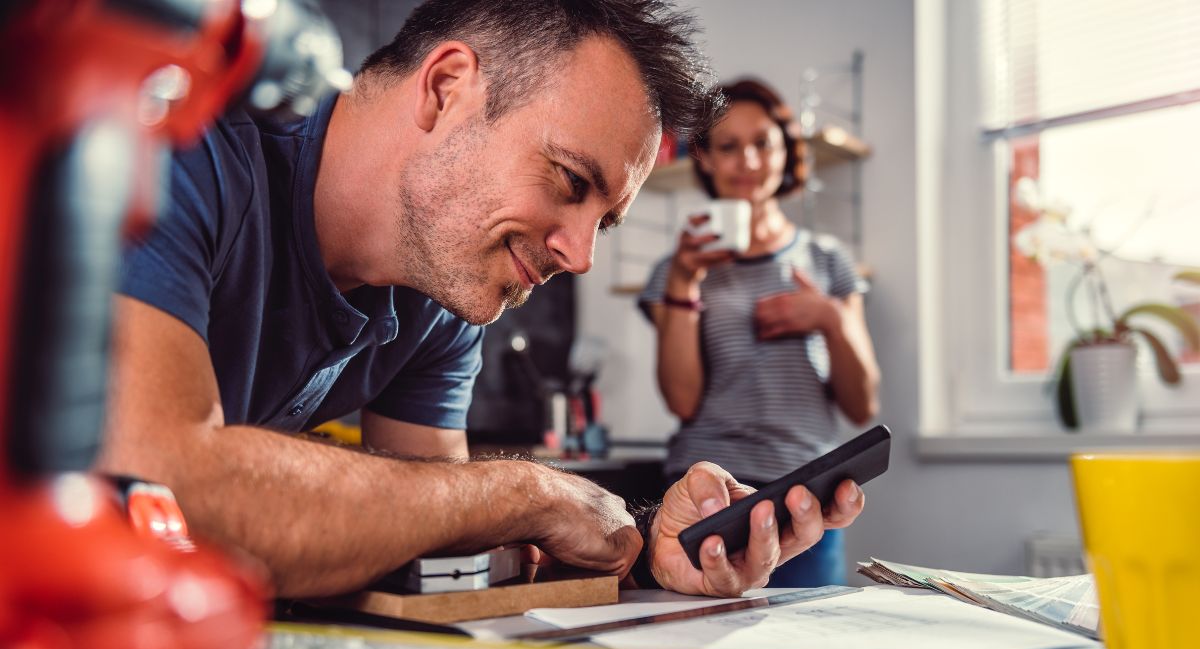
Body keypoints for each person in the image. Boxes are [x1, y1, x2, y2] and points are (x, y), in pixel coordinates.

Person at [99, 1, 866, 600]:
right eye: (569, 182)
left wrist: (645, 554)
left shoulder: (436, 299)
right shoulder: (180, 153)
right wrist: (528, 489)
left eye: (602, 220)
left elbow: (432, 536)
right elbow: (160, 488)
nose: (581, 253)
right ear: (445, 89)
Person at [639, 77, 881, 587]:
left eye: (762, 144)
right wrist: (685, 281)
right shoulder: (673, 270)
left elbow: (863, 406)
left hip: (804, 493)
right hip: (709, 495)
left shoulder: (827, 261)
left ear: (784, 151)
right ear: (703, 157)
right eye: (728, 146)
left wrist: (830, 319)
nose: (747, 161)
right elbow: (682, 402)